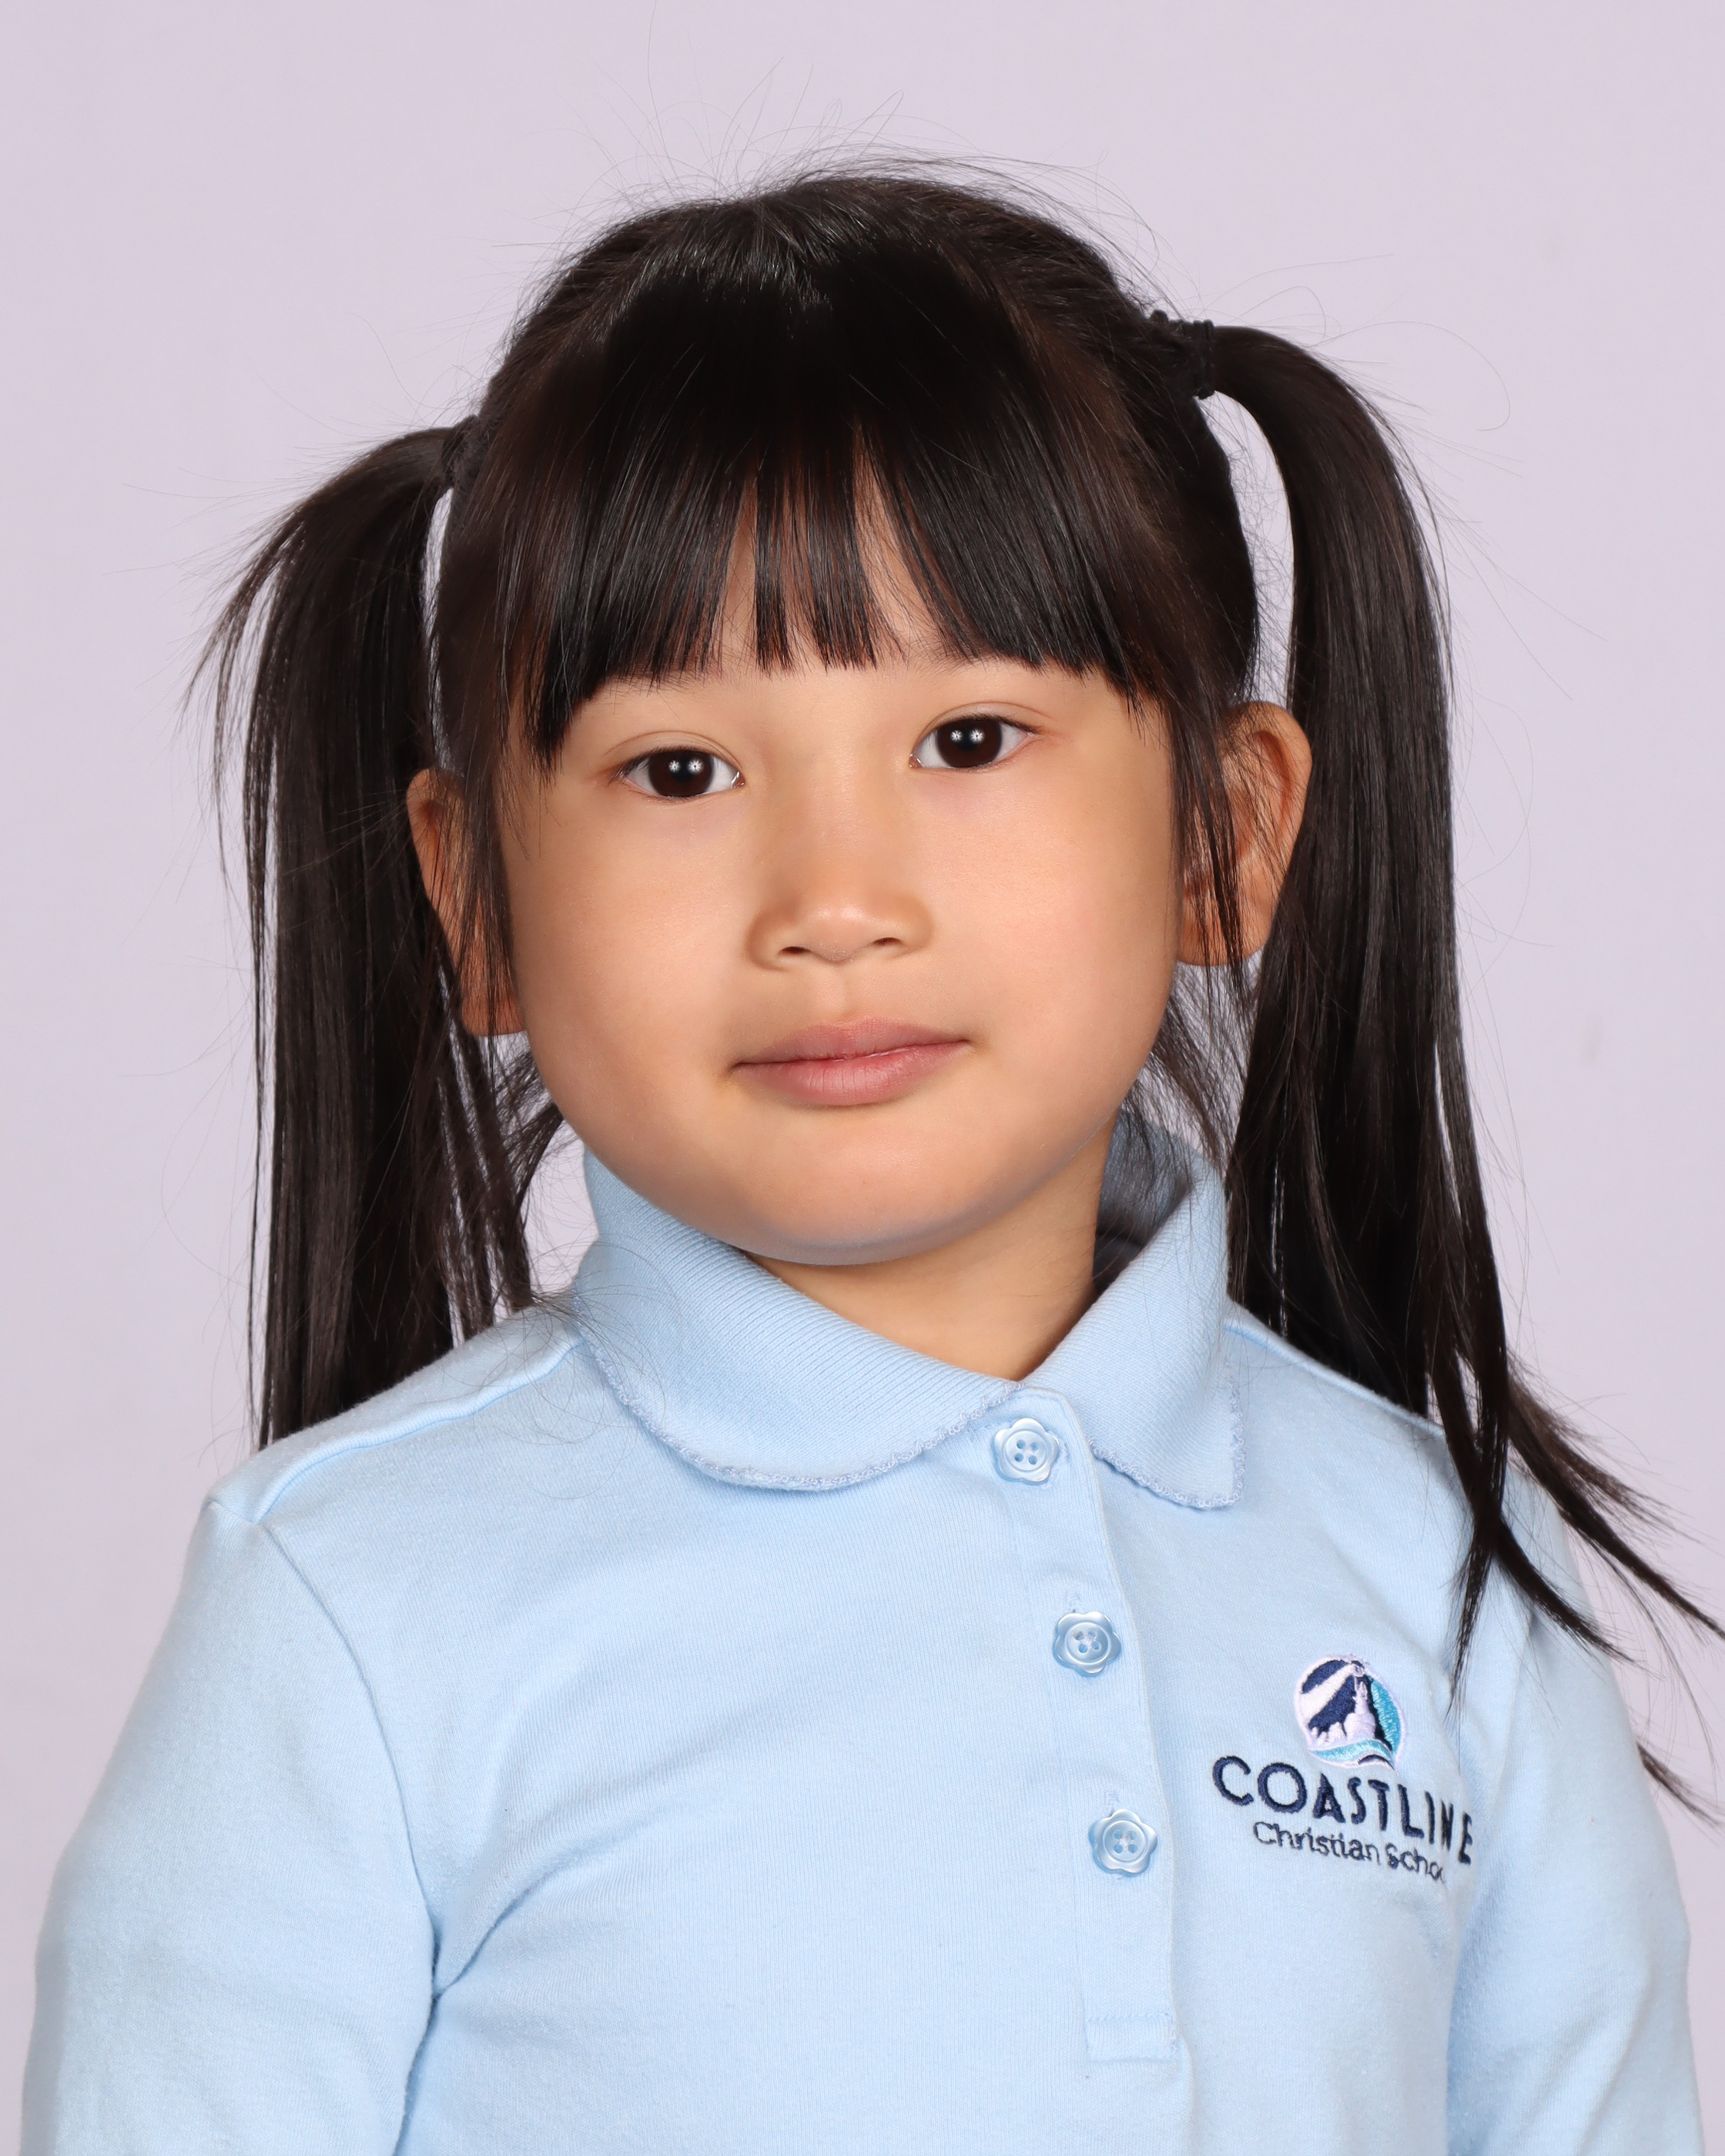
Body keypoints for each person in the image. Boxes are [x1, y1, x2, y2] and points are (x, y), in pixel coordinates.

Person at [22, 171, 1709, 2153]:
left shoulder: (1447, 1572)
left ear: (1223, 830)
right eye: (679, 769)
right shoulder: (343, 1601)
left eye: (969, 739)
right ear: (474, 900)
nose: (833, 901)